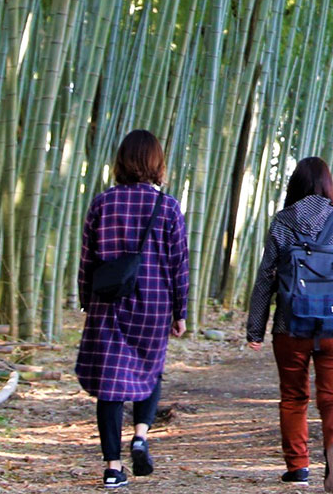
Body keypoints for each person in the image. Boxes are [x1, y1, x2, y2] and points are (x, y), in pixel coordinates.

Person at [247, 157, 333, 491]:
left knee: (293, 397)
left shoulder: (282, 223)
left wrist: (255, 329)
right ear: (328, 186)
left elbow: (265, 281)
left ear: (295, 186)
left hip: (291, 327)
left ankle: (298, 467)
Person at [75, 130, 191, 489]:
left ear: (121, 161)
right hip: (154, 303)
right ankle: (140, 435)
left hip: (108, 302)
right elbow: (179, 264)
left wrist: (85, 300)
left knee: (110, 386)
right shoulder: (167, 206)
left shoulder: (102, 203)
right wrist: (180, 311)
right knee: (150, 369)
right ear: (157, 163)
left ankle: (112, 467)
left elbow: (87, 260)